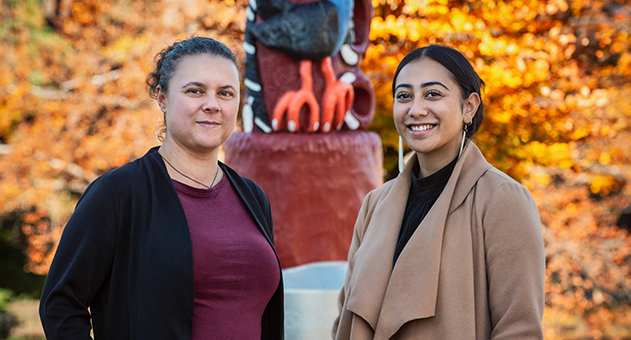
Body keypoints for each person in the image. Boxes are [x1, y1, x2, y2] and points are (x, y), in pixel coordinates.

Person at [39, 37, 284, 340]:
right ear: (162, 98)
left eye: (225, 93)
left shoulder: (253, 197)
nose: (212, 105)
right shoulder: (119, 193)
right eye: (195, 91)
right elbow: (60, 304)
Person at [332, 44, 545, 339]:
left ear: (469, 106)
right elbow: (344, 318)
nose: (416, 110)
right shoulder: (375, 204)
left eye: (433, 94)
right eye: (404, 96)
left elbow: (519, 330)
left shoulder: (502, 199)